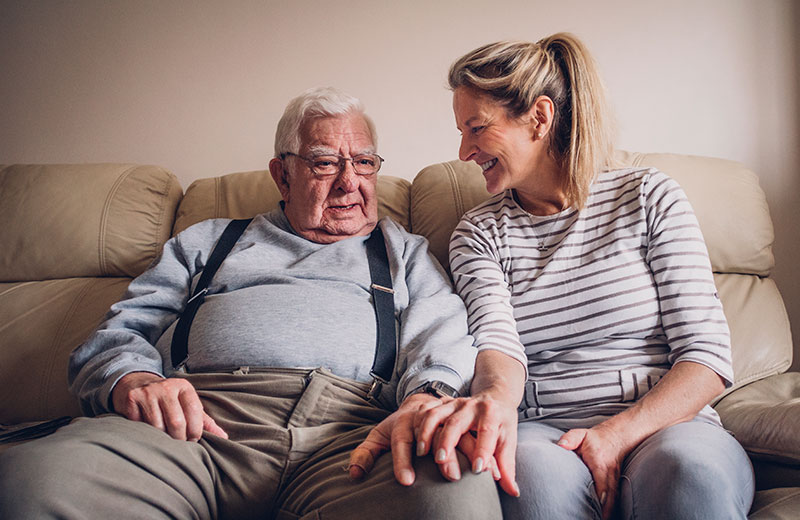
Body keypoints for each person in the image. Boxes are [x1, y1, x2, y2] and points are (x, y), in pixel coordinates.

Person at [0, 87, 502, 520]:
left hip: (352, 437)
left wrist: (426, 397)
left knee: (456, 489)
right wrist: (134, 379)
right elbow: (120, 332)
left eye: (364, 163)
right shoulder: (208, 240)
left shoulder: (404, 251)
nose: (350, 182)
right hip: (191, 431)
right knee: (37, 480)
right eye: (326, 163)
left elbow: (442, 335)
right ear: (281, 175)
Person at [411, 34, 756, 519]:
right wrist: (494, 400)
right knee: (528, 482)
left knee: (689, 473)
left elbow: (706, 356)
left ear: (539, 117)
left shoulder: (649, 197)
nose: (464, 150)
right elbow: (498, 349)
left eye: (476, 128)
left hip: (670, 423)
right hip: (546, 430)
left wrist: (616, 435)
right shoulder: (479, 233)